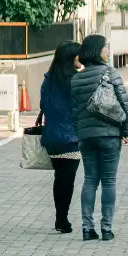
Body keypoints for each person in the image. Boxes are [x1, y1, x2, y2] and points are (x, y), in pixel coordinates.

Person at [70, 34, 128, 242]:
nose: (107, 51)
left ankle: (87, 228)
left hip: (86, 137)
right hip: (109, 135)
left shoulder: (76, 78)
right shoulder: (110, 73)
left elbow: (74, 112)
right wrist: (127, 131)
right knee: (108, 181)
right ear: (97, 50)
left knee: (89, 180)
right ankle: (106, 228)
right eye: (105, 47)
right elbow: (124, 104)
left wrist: (79, 133)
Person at [38, 41, 83, 234]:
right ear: (72, 58)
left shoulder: (48, 79)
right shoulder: (76, 80)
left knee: (59, 178)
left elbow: (43, 104)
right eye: (78, 55)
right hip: (72, 137)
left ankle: (60, 218)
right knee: (68, 179)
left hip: (52, 136)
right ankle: (62, 220)